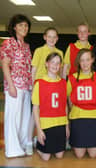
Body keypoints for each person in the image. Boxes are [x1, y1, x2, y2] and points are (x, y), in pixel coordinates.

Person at [0, 14, 32, 157]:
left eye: (26, 25)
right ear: (14, 27)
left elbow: (28, 67)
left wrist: (30, 86)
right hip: (14, 86)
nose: (24, 28)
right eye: (20, 25)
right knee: (12, 117)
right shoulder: (9, 43)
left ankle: (22, 144)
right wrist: (11, 85)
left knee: (24, 118)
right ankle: (12, 149)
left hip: (26, 86)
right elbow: (5, 64)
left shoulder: (26, 46)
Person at [67, 48, 96, 158]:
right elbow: (69, 98)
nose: (85, 63)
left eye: (87, 60)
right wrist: (74, 111)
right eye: (82, 60)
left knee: (93, 155)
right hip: (78, 117)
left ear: (92, 60)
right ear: (78, 62)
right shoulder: (72, 78)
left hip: (94, 117)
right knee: (79, 155)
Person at [32, 52, 69, 161]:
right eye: (52, 62)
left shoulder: (63, 83)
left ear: (61, 65)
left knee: (59, 155)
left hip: (60, 122)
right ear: (47, 64)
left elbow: (65, 105)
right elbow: (35, 108)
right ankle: (37, 142)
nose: (55, 65)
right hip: (46, 124)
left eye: (58, 63)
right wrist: (39, 130)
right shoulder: (39, 83)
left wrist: (66, 125)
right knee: (46, 157)